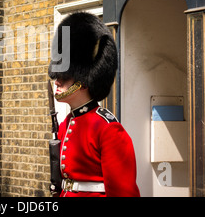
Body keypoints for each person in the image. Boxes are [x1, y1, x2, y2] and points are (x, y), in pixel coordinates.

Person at [48, 12, 140, 197]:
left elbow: (123, 192)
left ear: (83, 80)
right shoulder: (66, 124)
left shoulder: (107, 129)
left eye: (64, 76)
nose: (57, 82)